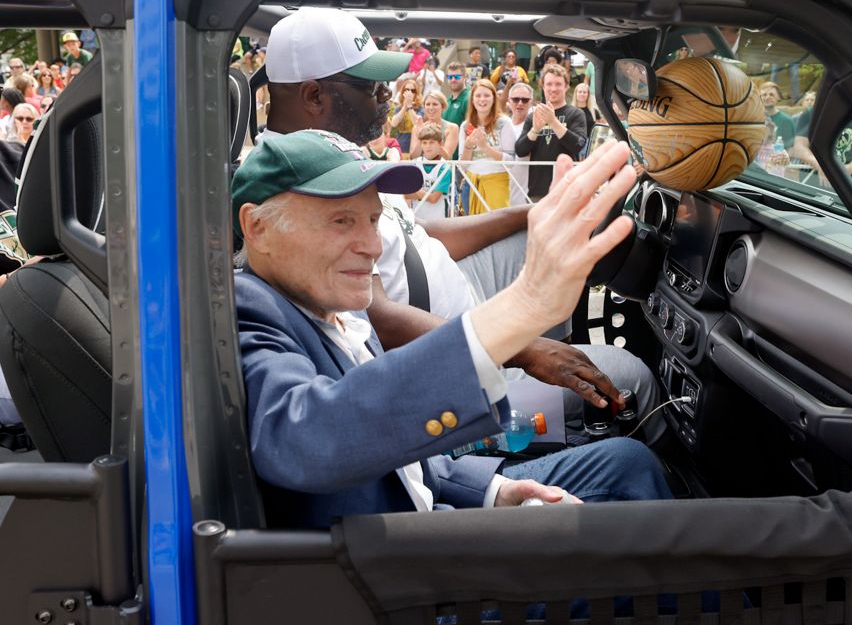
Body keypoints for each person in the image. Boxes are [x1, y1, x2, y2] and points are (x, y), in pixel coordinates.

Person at [234, 130, 671, 528]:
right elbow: (308, 437)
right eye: (341, 221)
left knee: (628, 464)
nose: (371, 247)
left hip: (435, 513)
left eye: (372, 220)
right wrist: (518, 312)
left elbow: (404, 465)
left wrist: (493, 492)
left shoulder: (333, 302)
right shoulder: (250, 308)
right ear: (258, 228)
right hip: (399, 573)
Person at [513, 63, 588, 201]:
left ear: (566, 87)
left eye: (558, 84)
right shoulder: (533, 115)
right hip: (537, 192)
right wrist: (535, 130)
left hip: (567, 191)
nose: (553, 88)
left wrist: (553, 122)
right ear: (543, 86)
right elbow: (520, 150)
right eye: (549, 84)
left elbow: (579, 144)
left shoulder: (576, 114)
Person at [459, 79, 513, 213]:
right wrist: (467, 147)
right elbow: (463, 165)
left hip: (497, 182)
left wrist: (485, 147)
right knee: (472, 229)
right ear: (472, 100)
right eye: (478, 95)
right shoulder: (466, 126)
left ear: (494, 99)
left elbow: (511, 161)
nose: (482, 99)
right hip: (471, 184)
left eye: (487, 95)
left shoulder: (504, 123)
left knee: (497, 229)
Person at [408, 121, 452, 222]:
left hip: (438, 219)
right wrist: (423, 194)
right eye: (424, 143)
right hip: (417, 218)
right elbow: (405, 195)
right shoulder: (415, 164)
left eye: (431, 142)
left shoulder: (444, 167)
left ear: (440, 143)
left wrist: (415, 191)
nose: (428, 146)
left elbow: (434, 199)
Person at [503, 81, 534, 205]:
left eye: (525, 100)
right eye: (516, 99)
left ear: (531, 102)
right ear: (509, 101)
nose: (520, 103)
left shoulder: (535, 127)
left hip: (525, 195)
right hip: (501, 190)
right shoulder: (502, 125)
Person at [388, 80, 424, 152]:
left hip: (415, 145)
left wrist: (410, 106)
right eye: (407, 90)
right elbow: (394, 123)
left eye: (413, 90)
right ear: (403, 92)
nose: (409, 93)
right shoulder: (399, 108)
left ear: (416, 93)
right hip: (401, 145)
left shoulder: (420, 108)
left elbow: (417, 124)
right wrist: (405, 106)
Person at [759, 81, 796, 148]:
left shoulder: (787, 121)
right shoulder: (753, 119)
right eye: (764, 95)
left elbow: (791, 148)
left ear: (779, 97)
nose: (767, 97)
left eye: (771, 95)